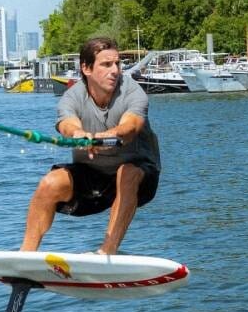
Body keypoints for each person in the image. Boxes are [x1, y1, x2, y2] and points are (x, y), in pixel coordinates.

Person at [20, 37, 161, 255]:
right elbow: (67, 124)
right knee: (50, 183)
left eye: (117, 64)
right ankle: (25, 258)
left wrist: (102, 138)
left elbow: (131, 127)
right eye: (106, 64)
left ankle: (107, 251)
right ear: (86, 68)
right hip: (94, 179)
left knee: (127, 172)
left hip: (140, 178)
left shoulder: (133, 92)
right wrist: (78, 134)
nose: (115, 70)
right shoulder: (72, 97)